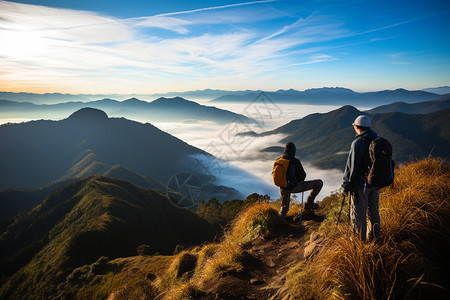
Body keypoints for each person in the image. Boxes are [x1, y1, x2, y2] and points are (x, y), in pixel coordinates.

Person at [341, 115, 381, 242]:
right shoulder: (377, 141)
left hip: (360, 185)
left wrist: (346, 186)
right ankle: (376, 239)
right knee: (373, 213)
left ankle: (359, 245)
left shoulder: (357, 143)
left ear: (356, 127)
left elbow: (351, 168)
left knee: (359, 215)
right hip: (375, 183)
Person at [279, 142, 323, 217]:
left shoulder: (279, 160)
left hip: (282, 187)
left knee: (284, 208)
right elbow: (303, 176)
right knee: (319, 183)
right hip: (294, 186)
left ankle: (280, 220)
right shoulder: (295, 161)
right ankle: (309, 204)